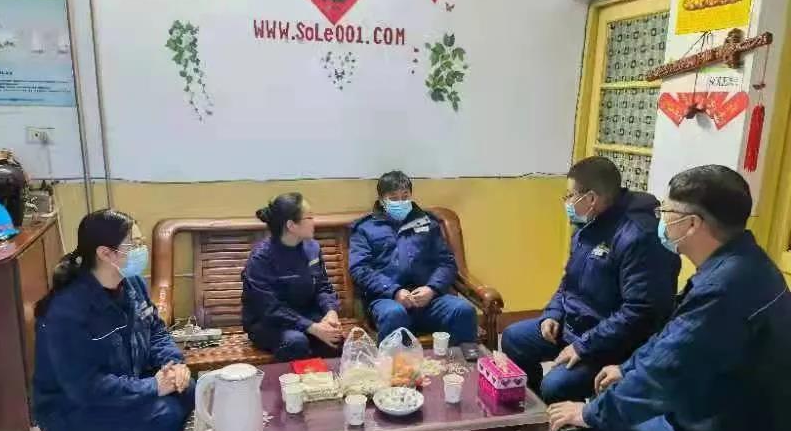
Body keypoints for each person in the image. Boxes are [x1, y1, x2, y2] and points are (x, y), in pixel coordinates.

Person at [547, 165, 791, 431]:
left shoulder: (724, 290)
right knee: (616, 402)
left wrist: (590, 413)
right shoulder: (745, 265)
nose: (660, 220)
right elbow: (673, 340)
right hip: (724, 420)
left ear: (691, 224)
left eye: (666, 212)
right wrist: (627, 367)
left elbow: (663, 376)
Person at [32, 209, 194, 431]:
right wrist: (152, 387)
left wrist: (174, 364)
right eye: (135, 244)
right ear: (105, 253)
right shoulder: (67, 311)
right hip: (71, 409)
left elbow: (156, 330)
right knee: (160, 411)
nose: (142, 250)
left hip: (121, 383)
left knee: (187, 388)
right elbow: (86, 388)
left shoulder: (131, 283)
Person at [502, 157, 680, 403]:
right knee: (514, 338)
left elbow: (640, 312)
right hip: (575, 325)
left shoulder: (639, 237)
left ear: (591, 199)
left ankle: (574, 418)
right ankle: (539, 411)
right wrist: (553, 313)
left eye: (570, 196)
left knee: (555, 384)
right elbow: (570, 279)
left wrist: (583, 346)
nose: (566, 203)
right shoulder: (588, 225)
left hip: (612, 342)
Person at [349, 170, 477, 345]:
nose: (400, 202)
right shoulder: (365, 228)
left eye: (405, 196)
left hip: (428, 299)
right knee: (394, 314)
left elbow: (446, 263)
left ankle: (464, 360)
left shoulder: (427, 223)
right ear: (382, 200)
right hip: (387, 300)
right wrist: (394, 291)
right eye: (394, 198)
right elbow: (360, 269)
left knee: (463, 310)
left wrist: (432, 288)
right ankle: (394, 362)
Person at [242, 193, 342, 362]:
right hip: (269, 323)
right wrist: (311, 327)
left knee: (335, 338)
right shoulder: (261, 258)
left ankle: (322, 379)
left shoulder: (312, 248)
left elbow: (323, 287)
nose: (314, 222)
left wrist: (330, 312)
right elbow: (269, 308)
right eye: (309, 217)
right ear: (291, 225)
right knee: (295, 342)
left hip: (305, 314)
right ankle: (294, 379)